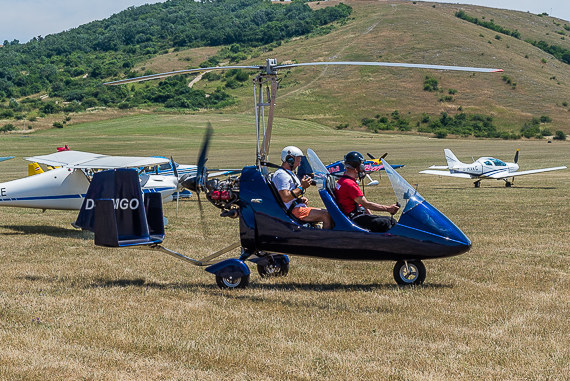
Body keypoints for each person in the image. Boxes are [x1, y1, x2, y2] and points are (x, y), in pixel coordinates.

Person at [335, 151, 399, 232]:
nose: (363, 167)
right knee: (390, 222)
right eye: (362, 164)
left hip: (352, 215)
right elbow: (366, 204)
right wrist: (388, 208)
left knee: (383, 220)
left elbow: (362, 204)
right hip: (355, 219)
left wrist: (371, 216)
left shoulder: (342, 181)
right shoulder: (349, 184)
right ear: (356, 166)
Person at [272, 146, 332, 229]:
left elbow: (291, 192)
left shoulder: (288, 173)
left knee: (330, 213)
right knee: (326, 215)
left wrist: (300, 198)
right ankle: (327, 240)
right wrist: (302, 187)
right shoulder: (282, 175)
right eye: (298, 161)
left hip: (297, 207)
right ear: (290, 160)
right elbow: (285, 197)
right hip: (294, 210)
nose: (299, 164)